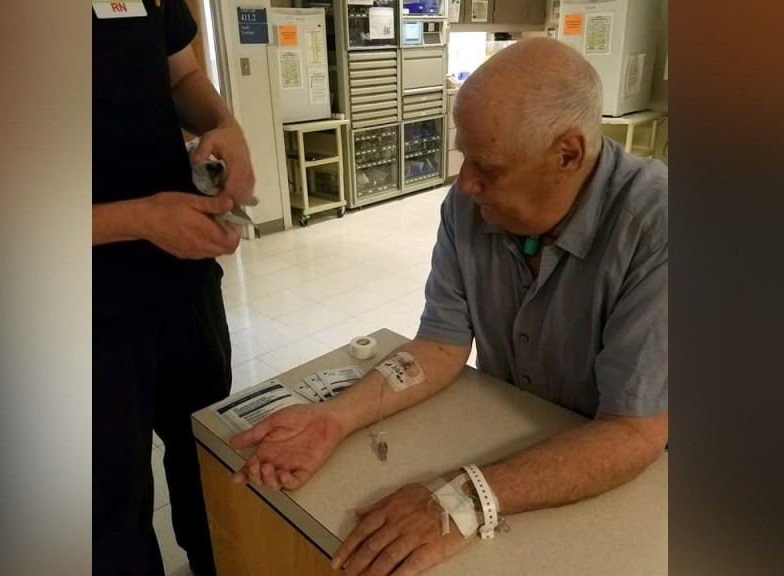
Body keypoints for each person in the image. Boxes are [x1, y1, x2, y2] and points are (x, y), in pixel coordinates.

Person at [228, 38, 667, 576]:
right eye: (464, 157)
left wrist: (463, 498)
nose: (465, 183)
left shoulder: (659, 227)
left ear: (567, 154)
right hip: (520, 436)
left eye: (488, 167)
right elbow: (439, 345)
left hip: (633, 481)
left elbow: (634, 430)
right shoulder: (467, 208)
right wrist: (332, 417)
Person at [92, 1, 255, 575]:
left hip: (180, 281)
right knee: (108, 511)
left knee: (209, 460)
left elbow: (180, 71)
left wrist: (224, 125)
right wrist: (137, 219)